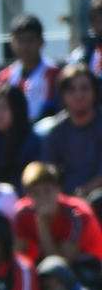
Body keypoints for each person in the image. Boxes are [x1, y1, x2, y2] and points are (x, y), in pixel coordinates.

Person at [12, 161, 102, 265]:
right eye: (35, 192)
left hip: (91, 267)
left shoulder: (77, 214)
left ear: (58, 189)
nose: (42, 197)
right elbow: (18, 254)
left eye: (47, 190)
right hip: (48, 266)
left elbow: (61, 264)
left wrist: (42, 225)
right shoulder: (22, 213)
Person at [42, 64, 102, 198]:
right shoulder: (55, 132)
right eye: (71, 90)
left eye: (84, 88)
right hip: (64, 202)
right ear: (62, 95)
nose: (79, 95)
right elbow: (49, 172)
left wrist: (85, 191)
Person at [0, 14, 57, 123]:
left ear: (41, 41)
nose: (25, 46)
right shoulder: (5, 77)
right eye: (20, 40)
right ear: (12, 43)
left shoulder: (52, 73)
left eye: (30, 40)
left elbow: (52, 111)